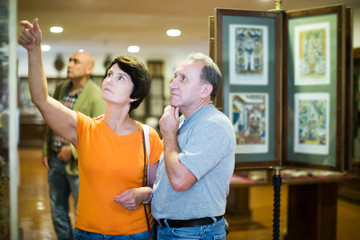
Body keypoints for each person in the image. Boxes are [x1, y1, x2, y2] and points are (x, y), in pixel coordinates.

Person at [18, 18, 163, 240]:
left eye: (121, 77)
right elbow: (41, 99)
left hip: (136, 233)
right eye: (110, 74)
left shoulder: (148, 136)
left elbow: (160, 187)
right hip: (89, 232)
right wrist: (34, 50)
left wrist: (145, 194)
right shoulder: (85, 128)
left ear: (135, 95)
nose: (110, 80)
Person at [151, 52, 236, 239]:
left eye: (183, 79)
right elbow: (167, 178)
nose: (172, 85)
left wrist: (168, 134)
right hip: (174, 231)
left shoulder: (213, 124)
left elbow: (180, 181)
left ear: (205, 91)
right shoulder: (182, 123)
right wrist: (148, 194)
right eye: (174, 77)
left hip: (193, 233)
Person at [42, 47, 106, 239]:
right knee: (57, 211)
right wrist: (46, 150)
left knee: (82, 212)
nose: (70, 65)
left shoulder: (96, 95)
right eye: (70, 60)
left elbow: (99, 131)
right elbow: (51, 118)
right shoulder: (61, 88)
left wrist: (72, 150)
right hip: (55, 160)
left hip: (79, 166)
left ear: (89, 69)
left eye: (76, 62)